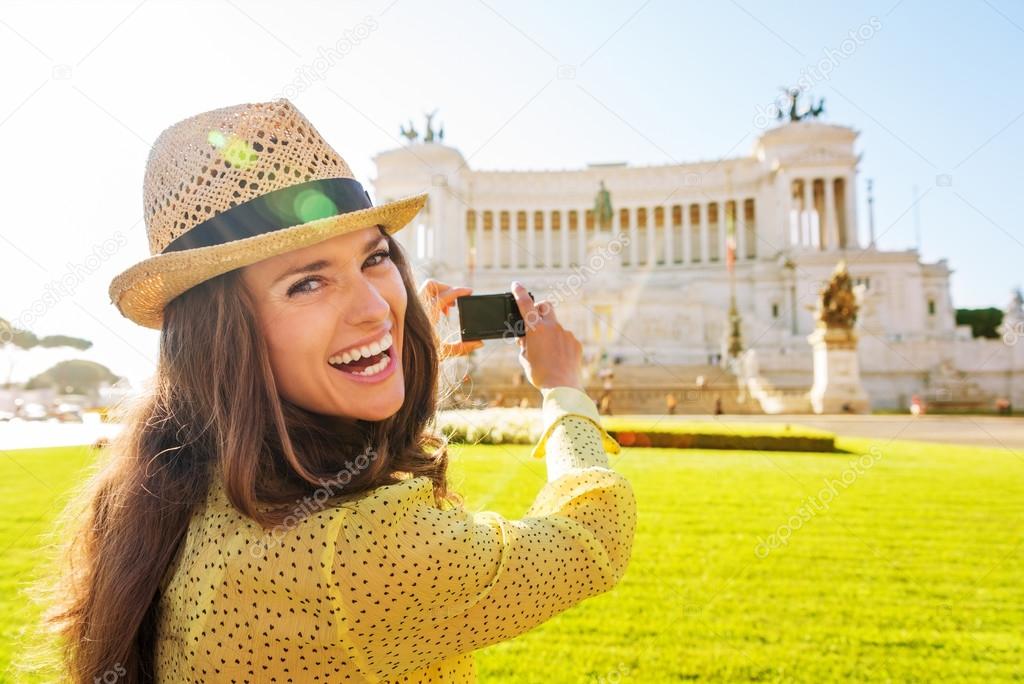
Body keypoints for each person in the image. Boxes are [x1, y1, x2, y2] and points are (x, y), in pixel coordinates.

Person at [40, 99, 636, 683]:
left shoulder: (178, 480)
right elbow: (591, 541)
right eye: (307, 284)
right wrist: (563, 389)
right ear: (221, 332)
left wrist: (389, 355)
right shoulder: (352, 553)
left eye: (374, 259)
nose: (376, 309)